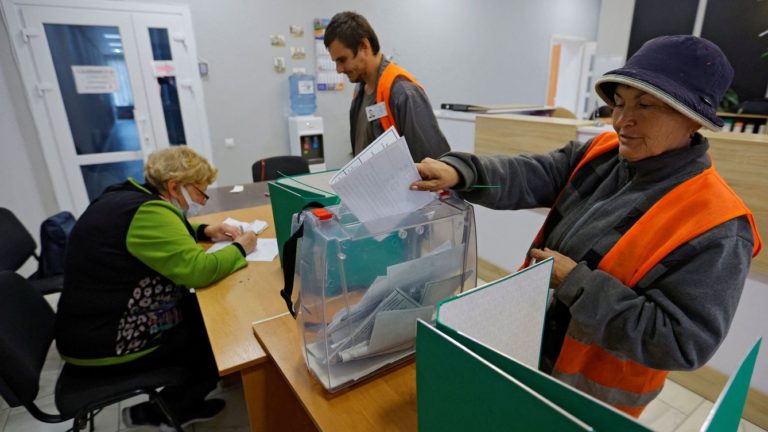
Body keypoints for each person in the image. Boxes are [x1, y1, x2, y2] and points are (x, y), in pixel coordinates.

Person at [410, 35, 762, 417]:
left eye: (645, 105)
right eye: (620, 103)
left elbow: (682, 342)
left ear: (693, 119)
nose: (623, 120)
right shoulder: (601, 155)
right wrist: (462, 173)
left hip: (588, 405)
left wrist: (577, 285)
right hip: (527, 355)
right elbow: (527, 175)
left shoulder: (719, 225)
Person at [55, 146, 258, 429]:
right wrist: (241, 247)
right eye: (200, 192)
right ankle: (170, 410)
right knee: (217, 340)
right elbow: (197, 272)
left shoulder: (126, 195)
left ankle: (170, 402)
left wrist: (203, 231)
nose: (201, 200)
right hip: (107, 340)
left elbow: (159, 236)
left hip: (89, 326)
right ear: (175, 186)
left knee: (204, 315)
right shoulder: (149, 213)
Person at [324, 11, 450, 162]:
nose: (339, 69)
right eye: (335, 62)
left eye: (342, 60)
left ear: (365, 46)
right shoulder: (359, 91)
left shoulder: (403, 92)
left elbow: (435, 164)